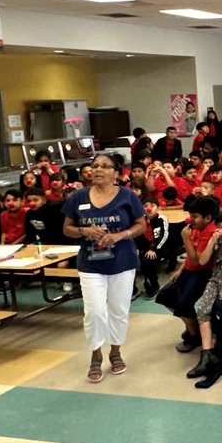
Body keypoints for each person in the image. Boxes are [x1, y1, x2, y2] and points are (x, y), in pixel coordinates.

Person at [61, 152, 147, 384]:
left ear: (116, 173)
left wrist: (122, 235)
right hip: (90, 263)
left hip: (122, 261)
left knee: (118, 309)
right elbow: (67, 228)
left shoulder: (127, 196)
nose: (98, 170)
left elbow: (141, 224)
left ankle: (115, 351)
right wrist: (83, 231)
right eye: (94, 165)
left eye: (105, 166)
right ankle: (96, 353)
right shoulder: (78, 197)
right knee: (95, 311)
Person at [185, 208, 222, 384]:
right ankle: (206, 354)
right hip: (216, 277)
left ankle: (218, 350)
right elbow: (203, 260)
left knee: (219, 311)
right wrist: (212, 241)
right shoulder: (215, 238)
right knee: (202, 308)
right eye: (219, 225)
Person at [157, 196, 218, 353]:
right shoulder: (195, 228)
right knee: (165, 296)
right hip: (188, 271)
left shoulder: (210, 232)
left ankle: (194, 336)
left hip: (202, 274)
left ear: (208, 218)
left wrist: (185, 239)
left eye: (195, 216)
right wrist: (179, 269)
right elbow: (188, 259)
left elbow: (197, 261)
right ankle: (194, 330)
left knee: (184, 304)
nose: (191, 219)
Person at [136, 198, 171, 296]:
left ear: (158, 208)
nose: (149, 208)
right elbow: (137, 236)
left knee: (147, 261)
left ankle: (154, 283)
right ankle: (133, 288)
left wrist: (154, 249)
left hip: (160, 248)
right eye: (146, 206)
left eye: (152, 206)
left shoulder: (161, 219)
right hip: (145, 248)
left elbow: (164, 236)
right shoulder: (140, 220)